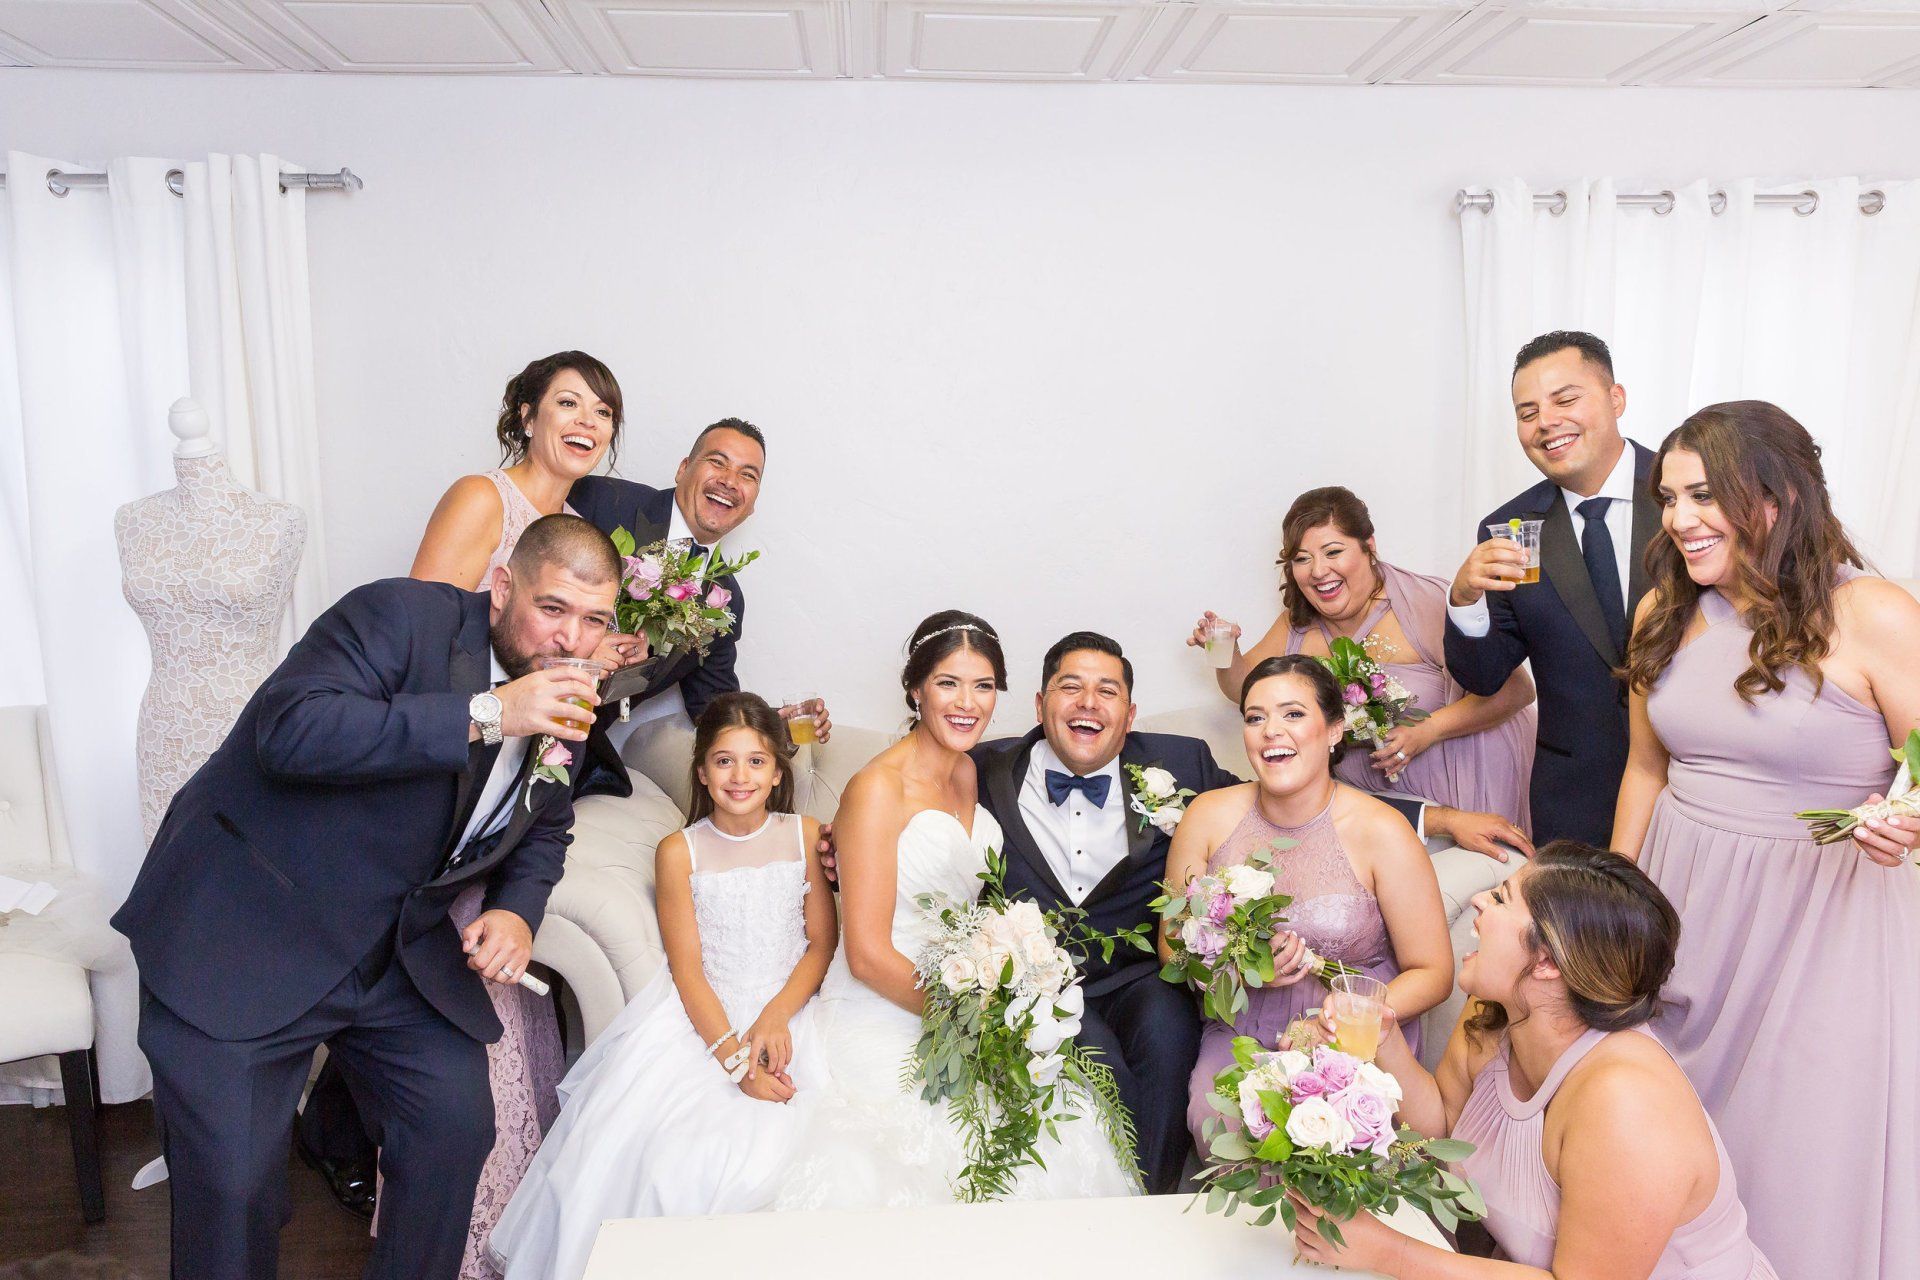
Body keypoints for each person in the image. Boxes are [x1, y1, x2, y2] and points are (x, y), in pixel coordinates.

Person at [111, 515, 621, 1280]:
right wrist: (490, 713)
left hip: (390, 952)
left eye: (593, 621)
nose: (570, 641)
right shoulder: (396, 616)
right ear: (503, 587)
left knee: (453, 1127)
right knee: (234, 1188)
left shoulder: (567, 697)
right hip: (249, 927)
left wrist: (518, 907)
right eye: (553, 609)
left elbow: (546, 821)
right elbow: (289, 730)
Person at [298, 352, 630, 1249]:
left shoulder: (578, 530)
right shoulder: (484, 500)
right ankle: (362, 1142)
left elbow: (546, 659)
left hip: (516, 762)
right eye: (569, 401)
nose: (588, 421)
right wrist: (497, 708)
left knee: (469, 1003)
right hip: (448, 747)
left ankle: (477, 1211)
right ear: (523, 413)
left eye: (603, 410)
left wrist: (588, 658)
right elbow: (428, 631)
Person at [1610, 402, 1920, 1280]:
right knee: (1669, 1139)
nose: (1678, 519)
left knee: (1798, 1149)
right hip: (1681, 911)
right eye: (1668, 498)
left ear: (1776, 497)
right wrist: (1612, 907)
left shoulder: (1875, 615)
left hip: (1822, 930)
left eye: (1704, 494)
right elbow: (1645, 771)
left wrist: (1907, 819)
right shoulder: (1664, 612)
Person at [774, 611, 1136, 1208]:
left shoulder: (970, 770)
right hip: (886, 1001)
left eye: (984, 686)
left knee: (1060, 1126)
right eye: (948, 683)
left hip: (963, 988)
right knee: (942, 1161)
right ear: (916, 689)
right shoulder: (876, 789)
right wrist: (976, 1026)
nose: (968, 702)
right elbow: (864, 954)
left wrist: (1006, 993)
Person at [1288, 844, 1778, 1280]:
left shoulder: (1626, 1105)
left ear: (1547, 963)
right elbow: (1444, 1128)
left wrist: (1388, 1252)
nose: (1479, 902)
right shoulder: (1500, 1014)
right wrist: (1386, 1041)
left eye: (1500, 899)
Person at [490, 693, 835, 1279]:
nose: (740, 776)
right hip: (706, 1019)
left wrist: (776, 1017)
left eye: (756, 761)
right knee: (674, 1163)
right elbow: (689, 970)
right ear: (701, 770)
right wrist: (735, 1063)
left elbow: (821, 945)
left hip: (795, 1005)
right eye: (724, 761)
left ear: (779, 770)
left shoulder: (805, 835)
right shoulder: (681, 852)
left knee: (817, 1149)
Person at [970, 631, 1240, 1193]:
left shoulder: (1181, 762)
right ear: (1041, 703)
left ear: (1129, 713)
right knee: (1103, 1069)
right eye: (1071, 687)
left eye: (1107, 691)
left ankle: (1152, 1206)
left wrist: (1433, 820)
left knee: (1168, 1047)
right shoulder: (982, 769)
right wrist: (833, 845)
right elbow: (899, 800)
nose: (1088, 702)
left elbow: (1284, 801)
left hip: (1142, 974)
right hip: (1039, 980)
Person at [1171, 655, 1451, 1151]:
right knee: (1220, 1122)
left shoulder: (1381, 830)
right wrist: (1243, 969)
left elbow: (1433, 972)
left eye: (1293, 714)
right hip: (1243, 1027)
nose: (1271, 731)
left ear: (1336, 729)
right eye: (1255, 718)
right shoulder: (1208, 816)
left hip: (1356, 1034)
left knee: (1342, 1145)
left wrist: (1346, 1017)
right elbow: (1173, 948)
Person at [1194, 486, 1535, 840]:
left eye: (1333, 551)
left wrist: (1429, 730)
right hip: (1378, 812)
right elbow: (1244, 690)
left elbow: (1517, 691)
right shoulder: (1295, 623)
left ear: (1369, 547)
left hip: (1465, 786)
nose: (1318, 570)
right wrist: (1224, 652)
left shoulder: (1422, 602)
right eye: (1301, 558)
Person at [1444, 331, 1661, 847]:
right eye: (1527, 412)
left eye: (1566, 399)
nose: (1546, 422)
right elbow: (1484, 674)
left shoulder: (1684, 496)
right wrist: (1464, 600)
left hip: (1693, 785)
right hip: (1575, 799)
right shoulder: (1512, 528)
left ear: (1616, 398)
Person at [563, 417, 832, 798]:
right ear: (683, 469)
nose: (729, 481)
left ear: (752, 505)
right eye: (718, 462)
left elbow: (712, 708)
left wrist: (772, 727)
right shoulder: (603, 503)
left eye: (748, 475)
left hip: (572, 754)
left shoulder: (724, 599)